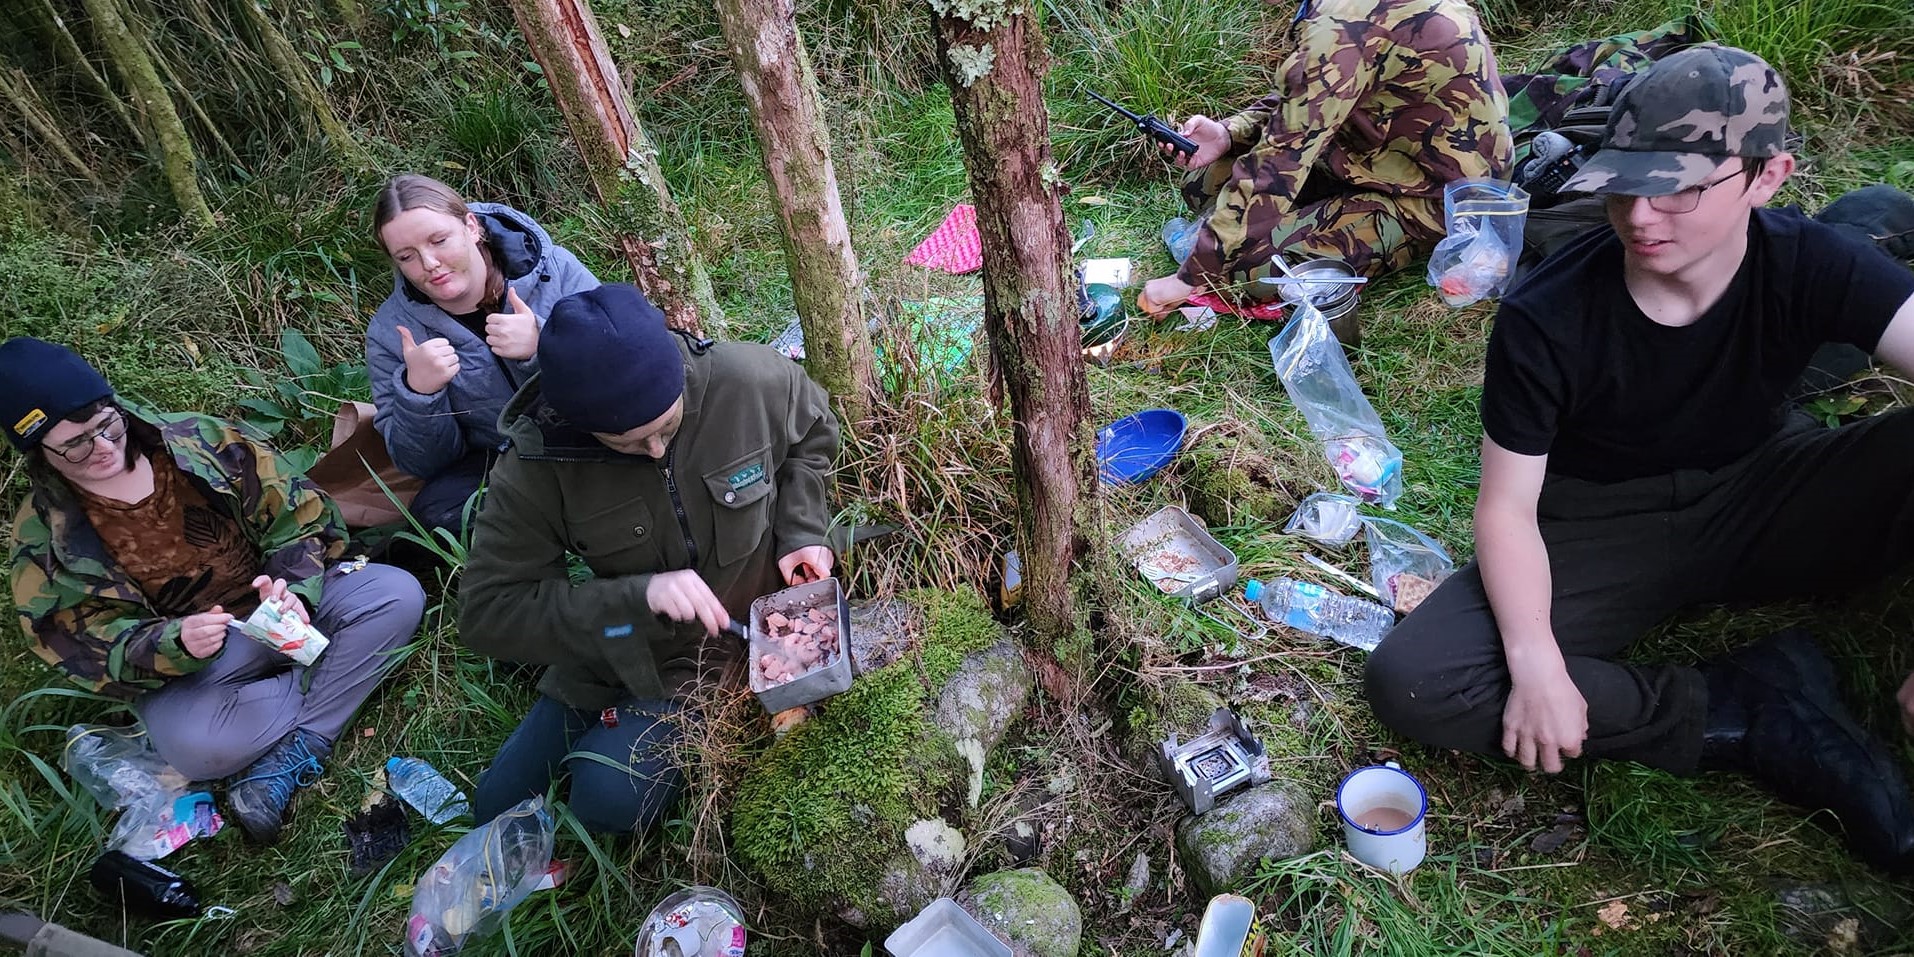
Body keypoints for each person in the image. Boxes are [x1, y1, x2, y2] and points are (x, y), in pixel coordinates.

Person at [1363, 44, 1914, 873]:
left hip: (1764, 488)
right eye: (1624, 185)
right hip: (1602, 522)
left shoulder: (1805, 261)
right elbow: (1506, 507)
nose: (1641, 217)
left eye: (1680, 188)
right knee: (1417, 680)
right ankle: (1744, 707)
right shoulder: (1549, 313)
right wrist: (1537, 661)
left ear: (1767, 176)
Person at [3, 338, 425, 844]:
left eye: (107, 426)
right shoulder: (43, 540)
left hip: (285, 612)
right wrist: (171, 643)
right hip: (202, 665)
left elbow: (300, 516)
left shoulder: (200, 441)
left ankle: (304, 744)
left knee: (396, 594)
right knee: (195, 749)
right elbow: (81, 644)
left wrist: (293, 587)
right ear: (39, 452)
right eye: (75, 445)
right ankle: (335, 677)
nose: (104, 448)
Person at [457, 283, 839, 833]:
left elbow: (813, 434)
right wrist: (639, 598)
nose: (656, 450)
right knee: (495, 805)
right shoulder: (537, 463)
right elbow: (488, 613)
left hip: (723, 651)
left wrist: (803, 529)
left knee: (603, 801)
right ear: (581, 425)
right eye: (629, 443)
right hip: (613, 643)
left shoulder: (747, 379)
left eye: (666, 426)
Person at [1136, 0, 1513, 330]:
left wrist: (1189, 277)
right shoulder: (1336, 15)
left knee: (1248, 274)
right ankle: (1319, 219)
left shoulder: (1340, 26)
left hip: (1438, 193)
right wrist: (1229, 134)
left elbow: (1276, 165)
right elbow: (1308, 96)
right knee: (1204, 182)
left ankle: (1377, 233)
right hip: (1371, 155)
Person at [365, 174, 600, 534]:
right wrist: (419, 393)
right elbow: (422, 463)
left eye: (439, 240)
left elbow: (622, 362)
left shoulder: (555, 269)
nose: (429, 263)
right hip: (503, 459)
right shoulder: (390, 331)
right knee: (438, 514)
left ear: (471, 227)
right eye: (407, 256)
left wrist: (546, 344)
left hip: (592, 435)